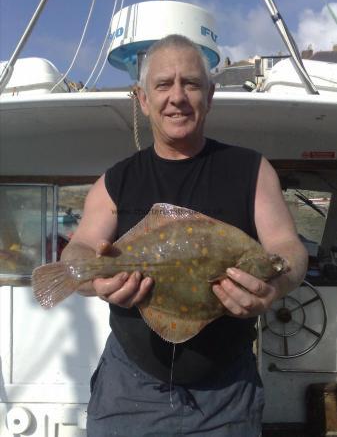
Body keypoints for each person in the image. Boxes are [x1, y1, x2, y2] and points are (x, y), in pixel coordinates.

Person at [61, 34, 308, 437]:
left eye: (191, 84)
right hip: (129, 389)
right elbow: (80, 251)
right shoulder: (116, 180)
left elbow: (287, 250)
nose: (177, 96)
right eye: (163, 84)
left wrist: (275, 287)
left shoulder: (251, 170)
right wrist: (93, 279)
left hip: (227, 393)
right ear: (143, 99)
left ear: (209, 96)